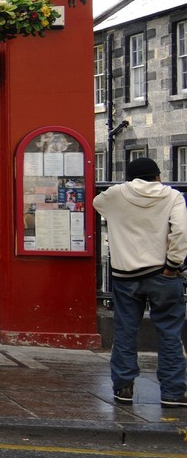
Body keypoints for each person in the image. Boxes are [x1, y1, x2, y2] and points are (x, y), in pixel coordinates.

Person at [93, 157, 187, 406]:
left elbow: (97, 202)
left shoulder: (116, 194)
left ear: (131, 178)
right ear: (157, 176)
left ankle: (123, 387)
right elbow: (180, 231)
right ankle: (173, 392)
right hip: (162, 273)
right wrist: (173, 265)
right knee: (169, 332)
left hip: (126, 275)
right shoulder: (172, 196)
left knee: (125, 330)